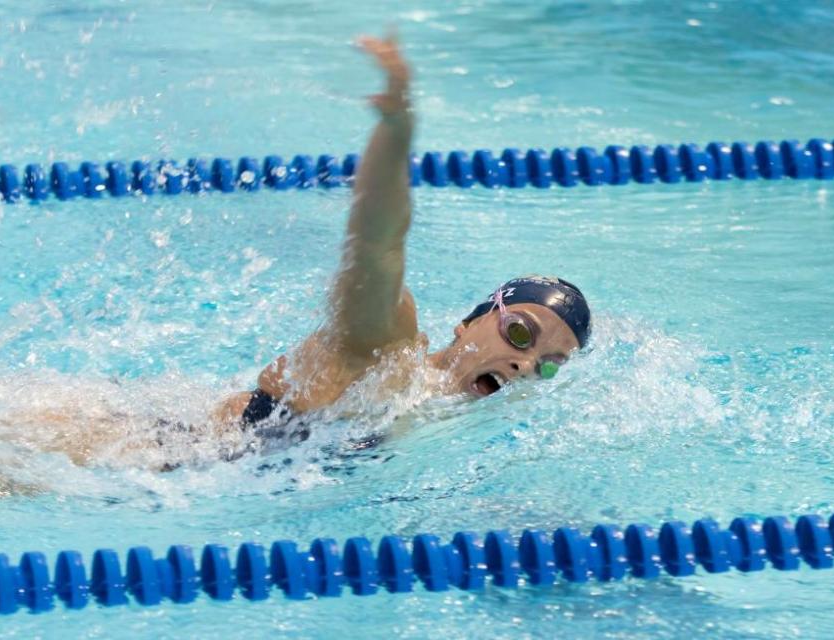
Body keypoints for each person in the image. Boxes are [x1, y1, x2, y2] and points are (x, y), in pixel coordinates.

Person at [213, 35, 591, 448]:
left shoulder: (455, 433)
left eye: (549, 367)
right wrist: (396, 132)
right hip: (161, 455)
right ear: (467, 325)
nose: (525, 365)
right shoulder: (388, 355)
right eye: (520, 334)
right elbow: (376, 246)